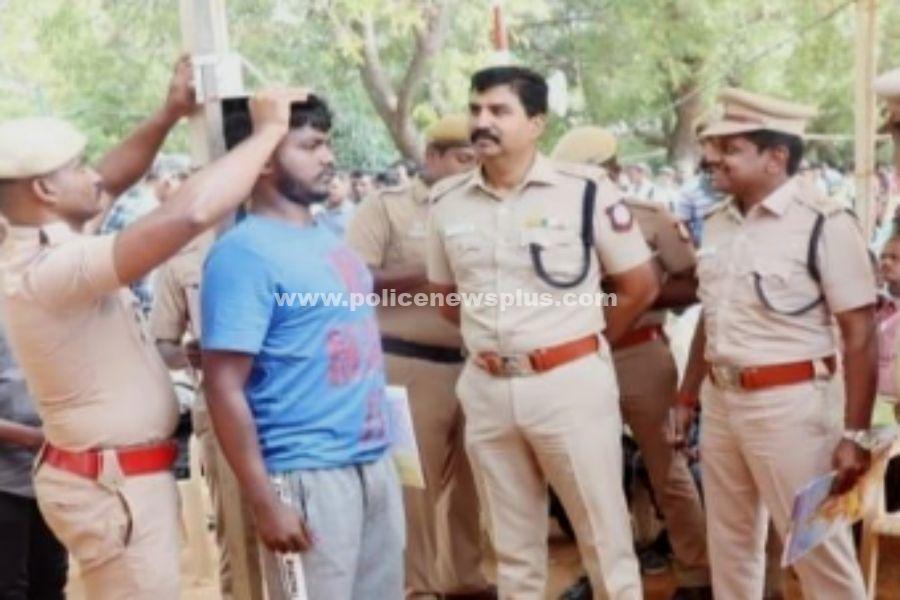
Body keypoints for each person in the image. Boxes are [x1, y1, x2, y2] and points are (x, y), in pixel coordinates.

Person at [0, 52, 305, 598]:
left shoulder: (44, 239)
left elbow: (111, 180)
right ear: (44, 191)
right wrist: (268, 133)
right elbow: (187, 215)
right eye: (77, 168)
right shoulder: (49, 268)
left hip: (113, 479)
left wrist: (168, 115)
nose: (93, 175)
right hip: (113, 487)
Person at [427, 66, 658, 599]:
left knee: (604, 538)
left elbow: (639, 286)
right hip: (486, 385)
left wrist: (579, 342)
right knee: (512, 549)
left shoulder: (584, 191)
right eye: (476, 109)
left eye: (499, 110)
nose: (482, 121)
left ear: (536, 123)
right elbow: (445, 298)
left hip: (569, 385)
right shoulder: (447, 200)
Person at [672, 87, 875, 599]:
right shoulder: (718, 221)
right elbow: (712, 315)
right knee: (731, 546)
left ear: (776, 156)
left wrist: (855, 434)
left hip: (792, 407)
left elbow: (860, 335)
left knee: (816, 549)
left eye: (731, 148)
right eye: (714, 147)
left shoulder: (824, 223)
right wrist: (687, 394)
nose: (713, 158)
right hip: (722, 401)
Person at [201, 94, 404, 599]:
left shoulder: (330, 239)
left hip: (372, 461)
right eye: (310, 146)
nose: (328, 157)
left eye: (327, 144)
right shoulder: (242, 255)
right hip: (306, 473)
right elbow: (223, 385)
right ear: (263, 158)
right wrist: (264, 500)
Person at [552, 126, 712, 600]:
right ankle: (603, 573)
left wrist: (635, 291)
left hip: (640, 354)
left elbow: (696, 285)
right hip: (574, 357)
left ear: (614, 170)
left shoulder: (649, 218)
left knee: (667, 469)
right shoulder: (549, 221)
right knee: (589, 476)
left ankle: (696, 572)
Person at [346, 114, 492, 599]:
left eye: (478, 159)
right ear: (432, 157)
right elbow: (354, 280)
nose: (472, 168)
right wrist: (431, 271)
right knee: (413, 486)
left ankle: (464, 580)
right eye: (463, 158)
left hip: (474, 363)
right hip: (408, 366)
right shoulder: (385, 207)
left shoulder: (483, 208)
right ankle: (417, 588)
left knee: (472, 482)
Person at [149, 226, 264, 596]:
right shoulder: (183, 256)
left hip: (295, 401)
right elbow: (162, 345)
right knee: (238, 528)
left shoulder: (288, 235)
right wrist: (189, 354)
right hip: (221, 405)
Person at [0, 322, 67, 599]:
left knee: (51, 580)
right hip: (6, 483)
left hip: (51, 476)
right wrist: (33, 438)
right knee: (9, 587)